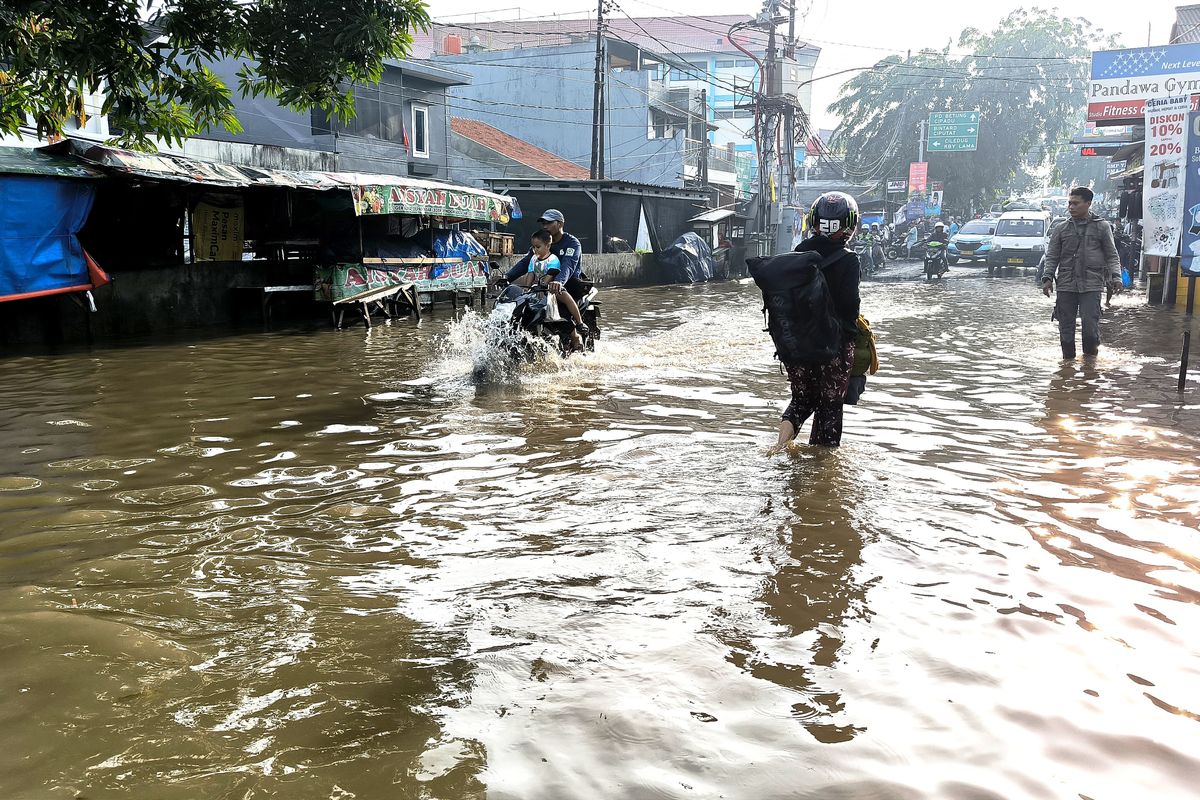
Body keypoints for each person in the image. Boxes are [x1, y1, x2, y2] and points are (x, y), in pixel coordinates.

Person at [770, 192, 861, 450]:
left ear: (814, 222)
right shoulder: (848, 260)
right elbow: (850, 309)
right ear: (849, 225)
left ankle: (777, 448)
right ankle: (821, 475)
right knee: (829, 409)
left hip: (798, 345)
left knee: (801, 400)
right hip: (833, 347)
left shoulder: (799, 252)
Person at [1041, 186, 1121, 359]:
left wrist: (1116, 277)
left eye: (1076, 203)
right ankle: (1067, 366)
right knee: (1066, 330)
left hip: (1091, 284)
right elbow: (1052, 256)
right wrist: (1047, 278)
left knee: (1090, 330)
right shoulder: (1061, 229)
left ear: (1088, 204)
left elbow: (1111, 255)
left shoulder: (1102, 227)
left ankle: (1090, 370)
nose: (1071, 207)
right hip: (1065, 284)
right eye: (1070, 203)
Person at [504, 209, 590, 347]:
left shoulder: (572, 243)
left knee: (558, 311)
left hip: (568, 284)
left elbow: (568, 265)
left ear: (560, 223)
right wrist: (506, 277)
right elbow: (526, 262)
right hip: (543, 284)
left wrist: (558, 282)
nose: (545, 226)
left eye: (549, 223)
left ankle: (575, 335)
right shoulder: (542, 243)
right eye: (543, 223)